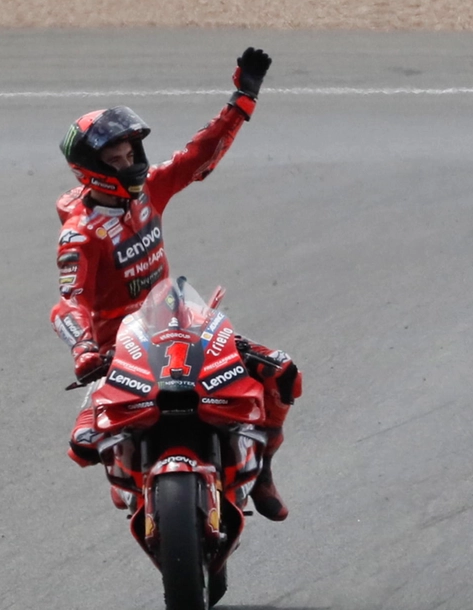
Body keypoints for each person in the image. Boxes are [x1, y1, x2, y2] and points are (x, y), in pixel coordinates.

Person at [50, 47, 301, 521]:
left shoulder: (150, 191)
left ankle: (262, 467)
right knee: (83, 444)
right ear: (94, 169)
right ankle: (130, 472)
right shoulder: (80, 234)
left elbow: (196, 156)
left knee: (283, 372)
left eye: (131, 154)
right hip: (119, 353)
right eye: (117, 159)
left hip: (177, 325)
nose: (130, 165)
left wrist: (242, 98)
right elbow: (68, 303)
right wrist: (84, 349)